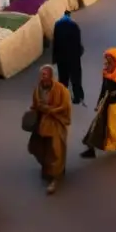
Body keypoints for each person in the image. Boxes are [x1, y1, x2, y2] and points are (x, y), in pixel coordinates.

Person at [81, 48, 116, 158]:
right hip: (106, 103)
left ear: (115, 60)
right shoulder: (106, 71)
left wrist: (115, 94)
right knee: (97, 126)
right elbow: (103, 89)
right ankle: (91, 147)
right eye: (106, 59)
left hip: (115, 106)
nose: (107, 62)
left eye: (109, 59)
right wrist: (99, 102)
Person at [28, 65, 71, 194]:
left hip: (55, 122)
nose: (42, 76)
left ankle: (55, 177)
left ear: (51, 76)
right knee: (36, 147)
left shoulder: (61, 90)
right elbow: (35, 105)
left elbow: (65, 106)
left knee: (55, 150)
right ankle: (47, 167)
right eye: (41, 74)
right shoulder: (38, 89)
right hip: (42, 124)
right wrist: (34, 111)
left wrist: (51, 110)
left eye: (45, 74)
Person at [52, 11, 85, 105]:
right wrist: (79, 52)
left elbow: (55, 42)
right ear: (69, 16)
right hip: (73, 56)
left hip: (61, 56)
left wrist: (54, 58)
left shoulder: (57, 25)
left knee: (63, 78)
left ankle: (63, 97)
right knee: (75, 77)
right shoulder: (74, 25)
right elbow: (78, 41)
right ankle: (77, 97)